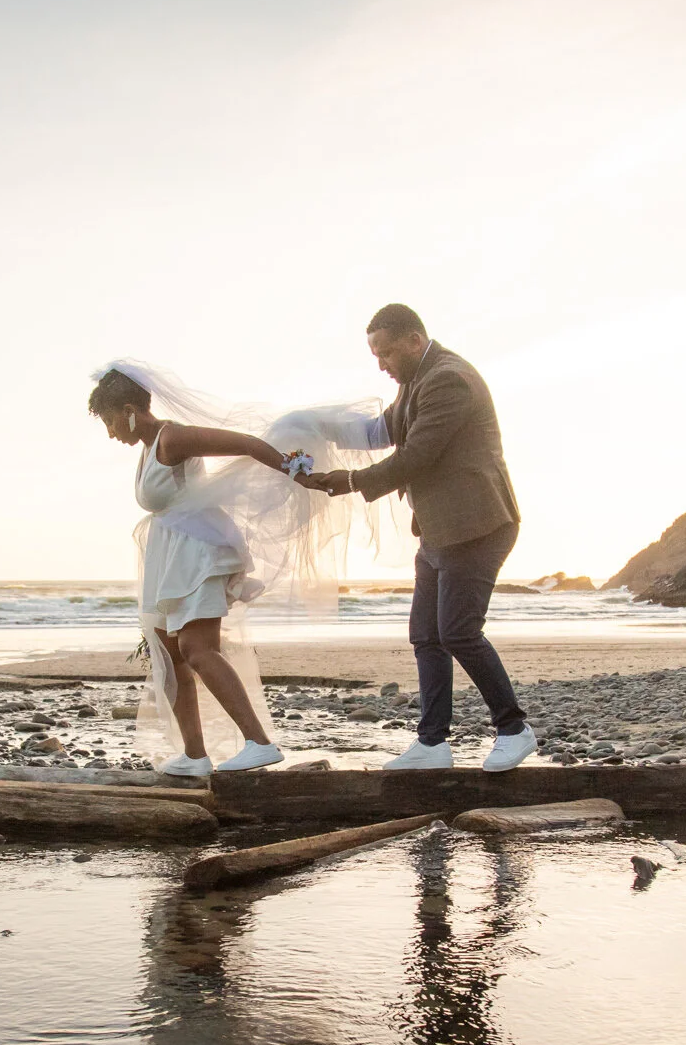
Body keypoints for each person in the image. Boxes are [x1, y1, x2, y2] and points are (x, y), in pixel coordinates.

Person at [89, 363, 393, 778]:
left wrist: (295, 473)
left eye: (109, 421)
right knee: (169, 657)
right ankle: (195, 755)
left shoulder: (173, 437)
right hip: (168, 555)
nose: (110, 433)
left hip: (197, 553)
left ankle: (260, 743)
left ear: (128, 409)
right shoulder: (147, 448)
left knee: (198, 650)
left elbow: (248, 444)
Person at [301, 305, 536, 771]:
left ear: (414, 339)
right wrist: (308, 425)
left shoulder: (448, 379)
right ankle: (432, 745)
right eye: (375, 354)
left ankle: (514, 729)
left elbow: (418, 455)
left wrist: (350, 482)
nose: (380, 362)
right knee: (425, 635)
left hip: (478, 524)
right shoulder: (415, 381)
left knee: (458, 632)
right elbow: (377, 432)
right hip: (438, 531)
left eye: (385, 351)